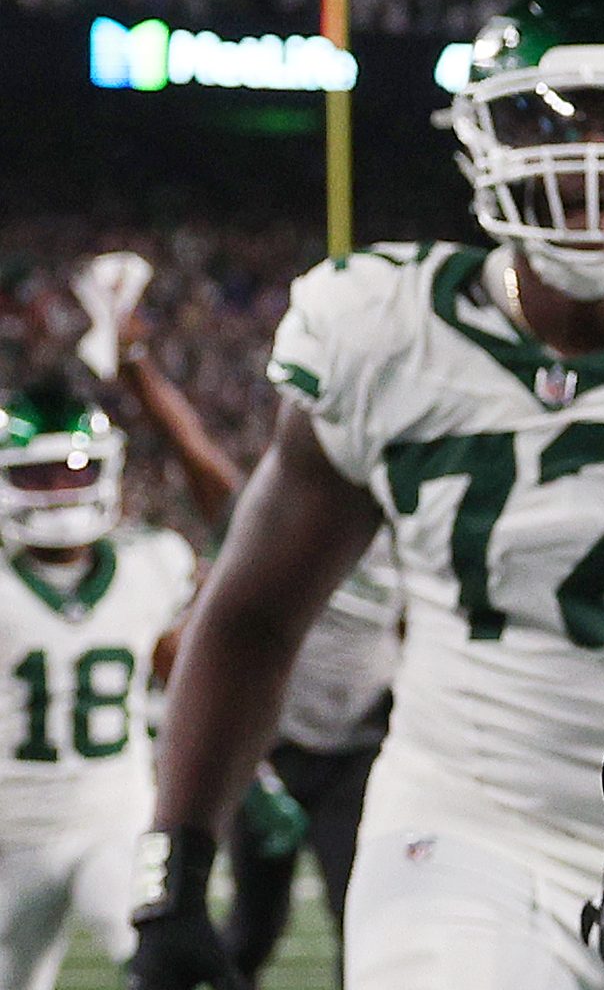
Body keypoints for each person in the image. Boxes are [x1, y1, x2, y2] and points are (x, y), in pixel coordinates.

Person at [130, 0, 604, 990]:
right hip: (469, 821)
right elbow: (253, 616)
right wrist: (173, 872)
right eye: (543, 119)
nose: (589, 155)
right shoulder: (383, 330)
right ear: (478, 140)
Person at [116, 320, 397, 986]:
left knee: (361, 920)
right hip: (271, 751)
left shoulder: (412, 524)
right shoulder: (273, 517)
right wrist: (136, 368)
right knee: (249, 926)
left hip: (357, 749)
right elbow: (190, 448)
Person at [0, 386, 200, 990]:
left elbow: (191, 683)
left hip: (116, 820)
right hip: (11, 832)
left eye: (74, 470)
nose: (61, 490)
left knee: (164, 963)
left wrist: (254, 781)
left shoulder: (152, 566)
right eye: (40, 476)